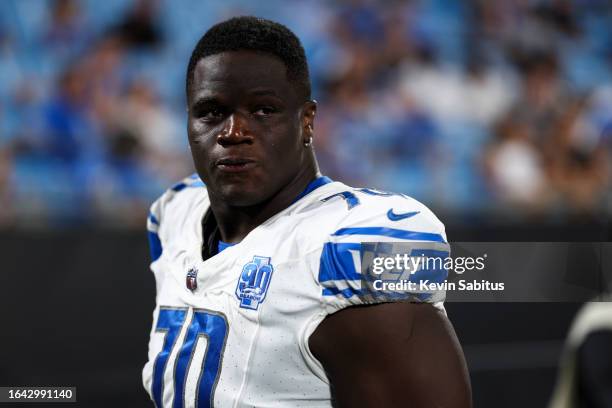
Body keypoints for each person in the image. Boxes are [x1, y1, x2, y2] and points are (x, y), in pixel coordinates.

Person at [143, 16, 471, 407]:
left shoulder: (344, 246)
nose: (233, 131)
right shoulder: (175, 214)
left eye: (263, 110)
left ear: (307, 121)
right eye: (211, 111)